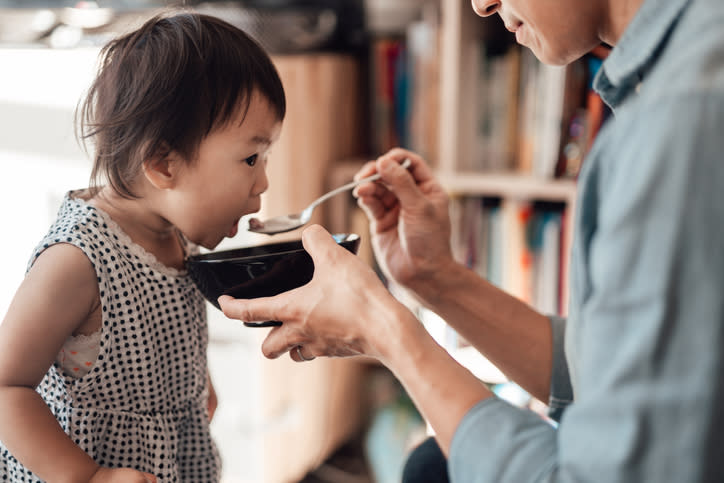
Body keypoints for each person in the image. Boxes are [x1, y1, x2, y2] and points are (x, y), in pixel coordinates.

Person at [218, 0, 724, 480]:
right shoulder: (676, 76)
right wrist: (435, 279)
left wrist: (386, 330)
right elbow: (607, 373)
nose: (481, 5)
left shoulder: (679, 122)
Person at [0, 11, 285, 483]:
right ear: (163, 163)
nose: (263, 182)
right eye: (251, 157)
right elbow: (7, 386)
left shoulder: (175, 236)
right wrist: (89, 476)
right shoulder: (77, 261)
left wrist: (196, 388)